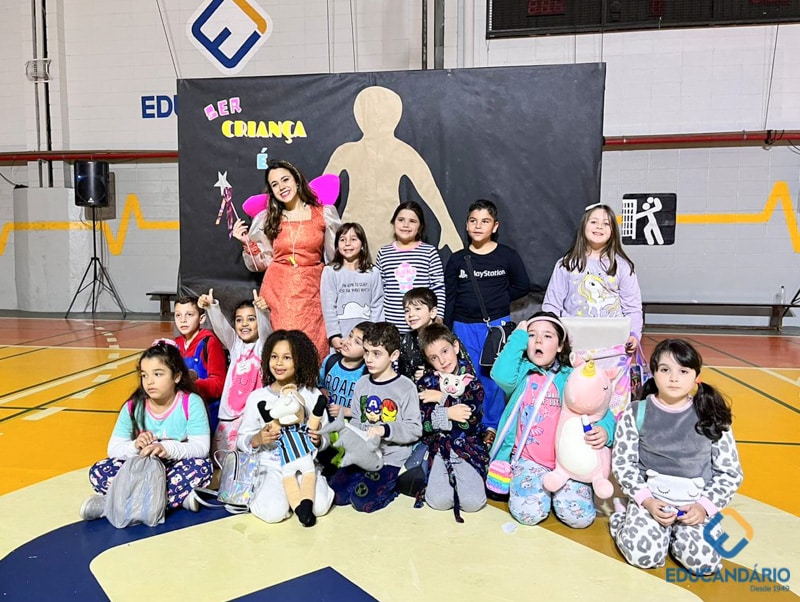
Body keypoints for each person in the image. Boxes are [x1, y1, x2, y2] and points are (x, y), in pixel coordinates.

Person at [610, 339, 743, 575]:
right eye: (665, 370)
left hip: (695, 503)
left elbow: (730, 472)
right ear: (653, 373)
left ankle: (676, 536)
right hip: (652, 500)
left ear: (696, 376)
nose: (674, 378)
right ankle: (623, 518)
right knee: (644, 556)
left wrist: (704, 507)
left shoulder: (710, 415)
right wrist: (646, 501)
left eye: (683, 371)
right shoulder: (636, 412)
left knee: (705, 563)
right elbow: (623, 463)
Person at [490, 312, 616, 528]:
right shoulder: (522, 373)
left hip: (567, 464)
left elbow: (603, 411)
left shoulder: (572, 376)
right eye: (532, 335)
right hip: (529, 461)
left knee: (579, 518)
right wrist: (518, 337)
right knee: (528, 514)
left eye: (547, 336)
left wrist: (605, 430)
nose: (538, 341)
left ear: (560, 346)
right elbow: (500, 374)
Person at [79, 340, 213, 520]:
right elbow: (114, 449)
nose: (149, 382)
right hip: (141, 471)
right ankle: (175, 500)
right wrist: (135, 446)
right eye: (144, 375)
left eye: (158, 374)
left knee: (202, 468)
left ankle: (112, 504)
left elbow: (201, 448)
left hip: (173, 468)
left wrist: (166, 449)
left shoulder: (191, 403)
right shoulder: (133, 407)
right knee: (99, 470)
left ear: (177, 376)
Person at [232, 159, 341, 362]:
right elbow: (260, 264)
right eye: (274, 184)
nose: (281, 187)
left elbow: (335, 257)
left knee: (312, 347)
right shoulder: (269, 218)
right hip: (278, 293)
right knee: (282, 350)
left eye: (285, 180)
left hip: (313, 292)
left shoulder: (323, 214)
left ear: (297, 180)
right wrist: (247, 242)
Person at [444, 199, 530, 445]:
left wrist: (498, 301)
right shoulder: (458, 259)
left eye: (485, 221)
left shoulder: (507, 256)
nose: (478, 226)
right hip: (462, 326)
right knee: (465, 375)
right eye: (473, 221)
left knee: (493, 377)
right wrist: (447, 331)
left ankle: (492, 425)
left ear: (495, 226)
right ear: (466, 225)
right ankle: (468, 422)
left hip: (496, 327)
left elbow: (522, 286)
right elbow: (450, 296)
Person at [237, 330, 335, 525]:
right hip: (270, 466)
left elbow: (327, 436)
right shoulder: (257, 397)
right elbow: (242, 439)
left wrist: (319, 440)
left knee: (320, 507)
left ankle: (296, 498)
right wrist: (257, 439)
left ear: (300, 361)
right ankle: (276, 496)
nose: (279, 363)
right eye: (274, 357)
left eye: (287, 358)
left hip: (305, 466)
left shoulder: (312, 394)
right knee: (274, 513)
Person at [328, 322, 422, 512]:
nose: (369, 359)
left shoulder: (406, 387)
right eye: (366, 352)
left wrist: (385, 430)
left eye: (376, 354)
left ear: (393, 356)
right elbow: (357, 419)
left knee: (362, 502)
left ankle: (394, 486)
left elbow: (414, 429)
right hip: (364, 456)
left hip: (390, 459)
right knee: (335, 495)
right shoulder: (362, 383)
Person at [542, 203, 642, 354]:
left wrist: (634, 334)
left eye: (606, 223)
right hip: (574, 340)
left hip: (613, 342)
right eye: (594, 221)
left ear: (613, 231)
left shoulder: (622, 266)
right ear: (584, 226)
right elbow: (552, 305)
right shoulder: (566, 264)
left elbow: (632, 307)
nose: (599, 226)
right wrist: (550, 334)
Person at [415, 323, 488, 521]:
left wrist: (441, 398)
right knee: (438, 501)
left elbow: (469, 420)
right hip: (438, 448)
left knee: (473, 503)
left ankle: (463, 477)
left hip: (467, 447)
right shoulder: (426, 383)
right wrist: (448, 413)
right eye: (433, 358)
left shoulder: (472, 381)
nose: (442, 360)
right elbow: (423, 422)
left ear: (455, 347)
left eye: (445, 351)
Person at [198, 288, 272, 452]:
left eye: (251, 319)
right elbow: (222, 328)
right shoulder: (235, 346)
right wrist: (212, 307)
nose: (244, 324)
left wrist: (262, 313)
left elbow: (266, 331)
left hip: (252, 416)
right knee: (221, 458)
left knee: (249, 455)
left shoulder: (264, 347)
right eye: (239, 320)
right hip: (229, 416)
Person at [375, 201, 445, 333]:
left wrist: (438, 316)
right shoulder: (384, 253)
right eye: (401, 220)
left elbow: (438, 287)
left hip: (422, 328)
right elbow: (379, 290)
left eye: (412, 221)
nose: (405, 225)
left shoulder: (429, 252)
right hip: (391, 327)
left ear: (420, 226)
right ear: (393, 222)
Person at [320, 222, 384, 351]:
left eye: (353, 239)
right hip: (341, 338)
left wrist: (374, 336)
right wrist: (334, 335)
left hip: (366, 340)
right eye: (342, 240)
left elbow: (377, 306)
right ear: (337, 245)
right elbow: (328, 307)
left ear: (362, 244)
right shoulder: (330, 272)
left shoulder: (373, 273)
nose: (347, 243)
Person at [173, 295, 226, 433]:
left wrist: (190, 384)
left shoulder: (209, 342)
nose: (183, 320)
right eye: (178, 315)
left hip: (207, 412)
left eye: (189, 315)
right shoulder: (175, 344)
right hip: (183, 411)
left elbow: (219, 384)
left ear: (201, 319)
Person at [318, 321, 371, 418]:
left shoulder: (366, 374)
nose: (349, 342)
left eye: (357, 342)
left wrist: (346, 411)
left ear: (367, 352)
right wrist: (323, 391)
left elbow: (369, 410)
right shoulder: (330, 360)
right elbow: (320, 385)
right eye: (350, 336)